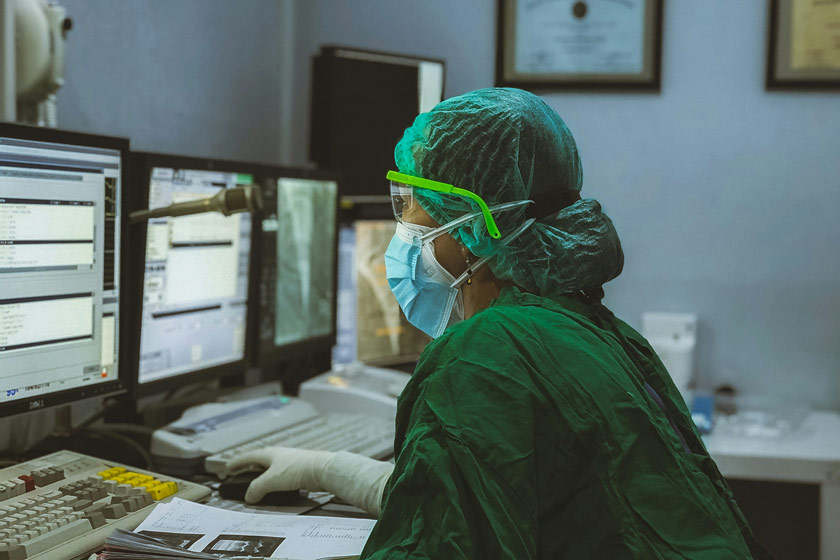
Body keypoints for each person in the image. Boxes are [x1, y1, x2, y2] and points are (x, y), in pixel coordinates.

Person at [228, 88, 771, 558]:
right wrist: (330, 470)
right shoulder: (594, 330)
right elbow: (490, 498)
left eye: (413, 204)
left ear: (475, 227)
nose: (403, 228)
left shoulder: (485, 353)